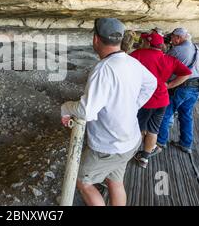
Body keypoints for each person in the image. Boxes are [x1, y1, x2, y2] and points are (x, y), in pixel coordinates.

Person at [61, 18, 157, 206]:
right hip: (130, 140)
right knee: (115, 181)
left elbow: (87, 111)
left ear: (96, 39)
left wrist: (65, 107)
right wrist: (132, 105)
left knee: (83, 181)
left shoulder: (103, 68)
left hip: (109, 145)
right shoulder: (131, 62)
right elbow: (152, 83)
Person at [130, 32, 192, 168]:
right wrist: (169, 85)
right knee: (153, 129)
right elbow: (187, 73)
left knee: (138, 128)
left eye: (143, 41)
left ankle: (130, 153)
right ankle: (144, 158)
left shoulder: (139, 54)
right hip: (162, 100)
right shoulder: (169, 59)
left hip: (144, 99)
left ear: (148, 42)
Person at [156, 28, 199, 154]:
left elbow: (164, 63)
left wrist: (169, 84)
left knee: (166, 113)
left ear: (178, 38)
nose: (171, 40)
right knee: (186, 116)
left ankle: (160, 141)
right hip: (196, 86)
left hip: (181, 86)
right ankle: (185, 144)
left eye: (172, 38)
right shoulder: (197, 49)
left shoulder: (177, 50)